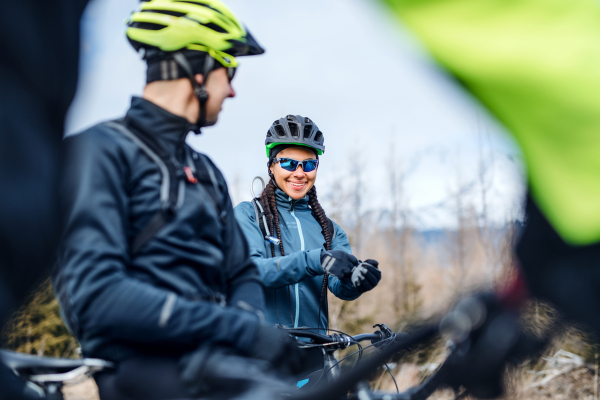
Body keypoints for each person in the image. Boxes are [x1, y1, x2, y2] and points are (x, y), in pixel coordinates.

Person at [52, 1, 307, 399]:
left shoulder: (205, 171)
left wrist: (247, 329)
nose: (233, 90)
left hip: (216, 365)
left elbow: (241, 274)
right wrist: (235, 329)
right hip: (137, 371)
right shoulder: (99, 152)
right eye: (230, 71)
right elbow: (97, 295)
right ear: (198, 70)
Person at [234, 115, 382, 342]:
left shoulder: (329, 230)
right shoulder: (248, 216)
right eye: (289, 163)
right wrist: (316, 260)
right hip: (260, 353)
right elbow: (252, 271)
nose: (300, 173)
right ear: (272, 165)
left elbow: (339, 287)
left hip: (316, 354)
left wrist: (356, 281)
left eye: (309, 164)